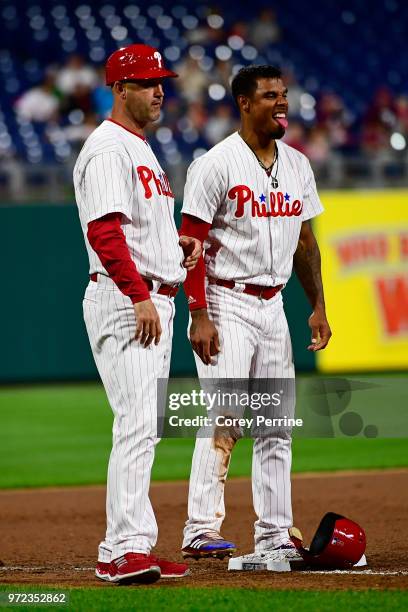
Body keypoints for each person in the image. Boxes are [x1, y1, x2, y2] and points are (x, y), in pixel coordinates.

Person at [178, 65, 332, 563]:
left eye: (284, 95)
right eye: (270, 96)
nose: (281, 103)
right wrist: (199, 313)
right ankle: (201, 528)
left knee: (276, 424)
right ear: (244, 103)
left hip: (273, 305)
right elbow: (191, 245)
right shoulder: (214, 165)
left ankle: (274, 531)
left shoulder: (298, 165)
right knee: (225, 415)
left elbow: (306, 243)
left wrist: (318, 307)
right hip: (224, 300)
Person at [73, 44, 201, 585]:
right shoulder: (107, 148)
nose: (158, 90)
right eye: (146, 82)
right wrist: (139, 294)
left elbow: (135, 230)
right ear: (118, 89)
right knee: (137, 423)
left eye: (160, 81)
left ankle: (136, 543)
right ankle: (120, 550)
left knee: (146, 426)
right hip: (128, 301)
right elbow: (103, 231)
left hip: (151, 296)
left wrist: (176, 250)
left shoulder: (140, 149)